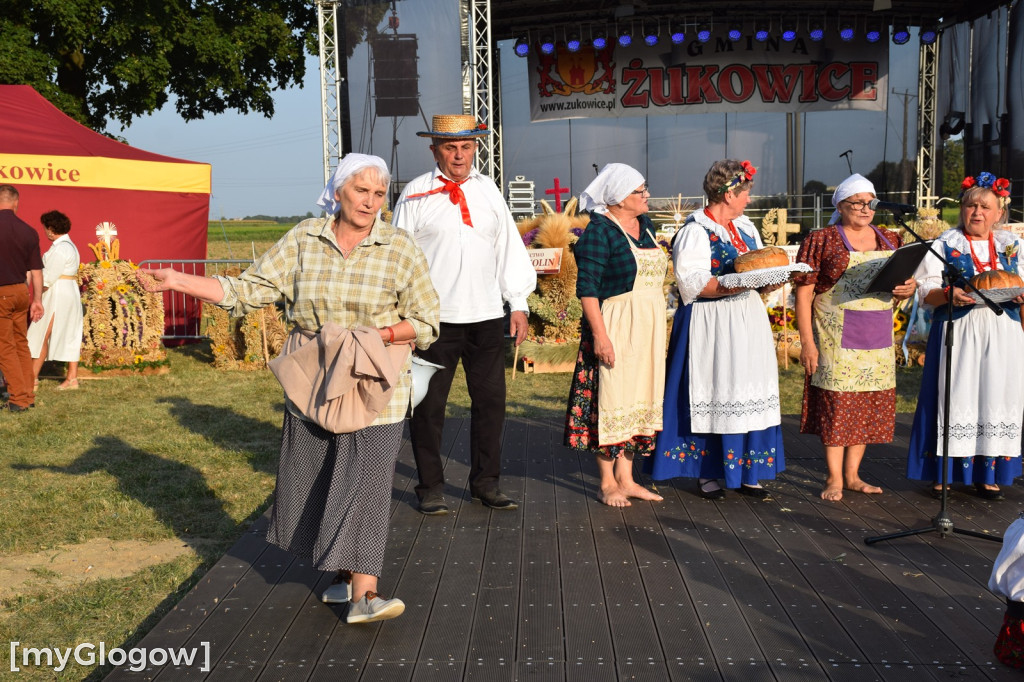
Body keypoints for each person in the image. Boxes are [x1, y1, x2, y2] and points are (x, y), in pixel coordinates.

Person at [139, 154, 440, 624]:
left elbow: (425, 322)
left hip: (374, 383)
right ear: (338, 191)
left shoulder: (399, 246)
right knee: (317, 478)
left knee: (367, 483)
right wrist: (178, 279)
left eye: (379, 194)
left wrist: (375, 337)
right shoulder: (303, 238)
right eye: (361, 191)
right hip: (314, 378)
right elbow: (245, 290)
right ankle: (342, 579)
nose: (370, 201)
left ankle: (366, 593)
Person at [392, 114, 536, 515]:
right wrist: (403, 314)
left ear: (476, 148)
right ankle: (431, 487)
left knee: (490, 403)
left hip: (487, 314)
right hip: (433, 319)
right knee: (428, 407)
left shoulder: (488, 190)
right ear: (434, 149)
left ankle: (486, 483)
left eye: (467, 147)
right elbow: (398, 256)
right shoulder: (416, 194)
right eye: (451, 147)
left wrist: (518, 302)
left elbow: (508, 247)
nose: (459, 155)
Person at [650, 159, 784, 499]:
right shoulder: (696, 231)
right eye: (745, 194)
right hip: (710, 325)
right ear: (727, 194)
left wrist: (769, 281)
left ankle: (749, 469)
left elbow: (756, 274)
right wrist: (741, 283)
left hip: (746, 322)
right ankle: (707, 471)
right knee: (715, 389)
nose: (748, 201)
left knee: (747, 388)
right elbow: (693, 286)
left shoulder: (747, 229)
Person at [794, 173, 916, 501]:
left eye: (870, 203)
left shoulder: (890, 238)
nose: (864, 209)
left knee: (864, 405)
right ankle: (834, 477)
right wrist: (806, 342)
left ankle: (853, 475)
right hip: (833, 336)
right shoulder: (821, 240)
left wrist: (908, 288)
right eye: (856, 203)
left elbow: (900, 287)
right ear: (841, 206)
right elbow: (803, 295)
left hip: (876, 334)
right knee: (838, 404)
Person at [906, 173, 1024, 500]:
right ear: (961, 209)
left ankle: (989, 473)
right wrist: (948, 294)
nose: (977, 212)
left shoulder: (1012, 247)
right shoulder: (945, 244)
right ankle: (945, 472)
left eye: (985, 207)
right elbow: (925, 293)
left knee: (996, 396)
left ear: (999, 213)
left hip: (1003, 332)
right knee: (957, 395)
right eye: (971, 205)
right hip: (960, 330)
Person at [563, 164, 667, 507]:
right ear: (619, 199)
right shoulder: (600, 232)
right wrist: (601, 337)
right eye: (640, 191)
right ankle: (607, 483)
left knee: (639, 396)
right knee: (611, 398)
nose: (646, 195)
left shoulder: (646, 226)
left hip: (647, 326)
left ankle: (628, 478)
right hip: (616, 323)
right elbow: (588, 290)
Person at [27, 210, 83, 391]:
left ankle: (32, 378)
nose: (45, 232)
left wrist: (36, 295)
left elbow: (48, 277)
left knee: (42, 332)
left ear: (51, 229)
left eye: (45, 228)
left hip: (57, 293)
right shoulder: (70, 245)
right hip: (69, 292)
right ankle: (72, 378)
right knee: (70, 333)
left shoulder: (60, 249)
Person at [0, 184, 44, 412]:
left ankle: (17, 399)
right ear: (16, 202)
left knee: (4, 347)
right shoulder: (29, 231)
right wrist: (37, 300)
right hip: (20, 292)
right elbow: (37, 271)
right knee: (20, 344)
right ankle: (28, 394)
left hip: (1, 293)